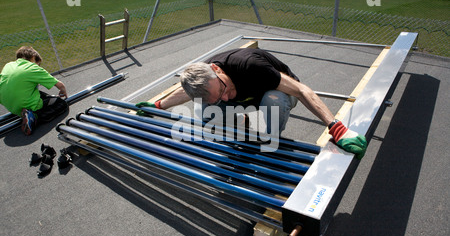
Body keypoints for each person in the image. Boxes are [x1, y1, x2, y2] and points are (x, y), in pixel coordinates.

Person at [136, 48, 367, 159]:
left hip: (273, 93)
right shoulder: (205, 78)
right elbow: (185, 93)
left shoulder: (250, 66)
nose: (225, 99)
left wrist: (337, 128)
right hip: (248, 99)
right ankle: (246, 122)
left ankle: (268, 140)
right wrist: (158, 106)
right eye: (218, 97)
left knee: (273, 101)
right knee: (206, 111)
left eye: (223, 90)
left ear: (217, 70)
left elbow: (302, 90)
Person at [0, 46, 69, 135]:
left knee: (39, 94)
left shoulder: (8, 65)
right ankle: (35, 116)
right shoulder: (32, 67)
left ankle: (26, 113)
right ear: (33, 58)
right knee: (61, 104)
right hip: (25, 103)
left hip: (10, 106)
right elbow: (60, 85)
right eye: (38, 64)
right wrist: (63, 91)